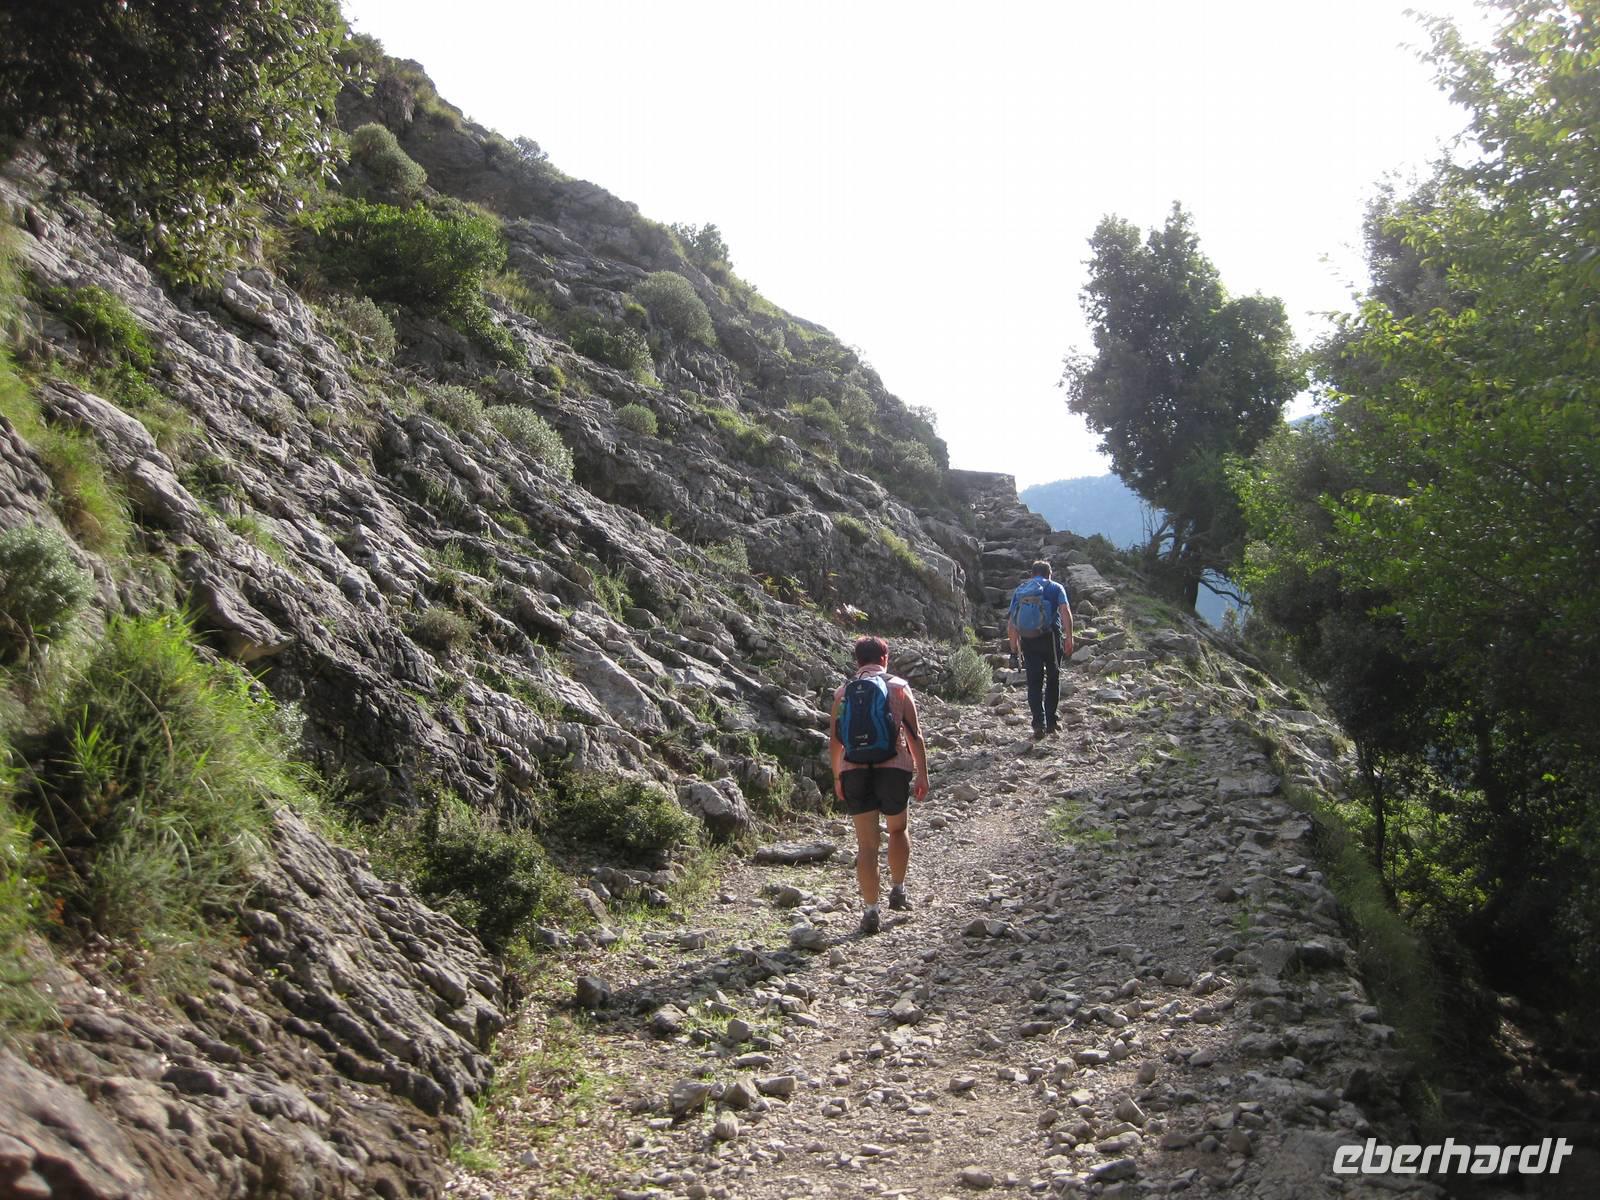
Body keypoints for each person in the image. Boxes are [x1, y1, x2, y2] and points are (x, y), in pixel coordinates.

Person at [829, 635, 930, 934]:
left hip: (854, 770)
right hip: (893, 768)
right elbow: (915, 734)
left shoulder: (843, 692)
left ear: (857, 660)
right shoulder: (898, 687)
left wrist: (837, 775)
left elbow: (835, 741)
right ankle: (898, 890)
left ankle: (871, 910)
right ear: (885, 658)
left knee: (866, 845)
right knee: (897, 829)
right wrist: (922, 772)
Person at [1007, 560, 1074, 739]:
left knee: (1034, 681)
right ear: (1049, 574)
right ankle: (1051, 721)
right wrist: (1069, 637)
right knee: (1053, 677)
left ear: (1032, 574)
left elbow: (1012, 623)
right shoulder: (1055, 587)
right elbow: (1065, 611)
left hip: (1028, 639)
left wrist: (1013, 650)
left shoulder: (1021, 590)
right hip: (1051, 638)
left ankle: (1038, 724)